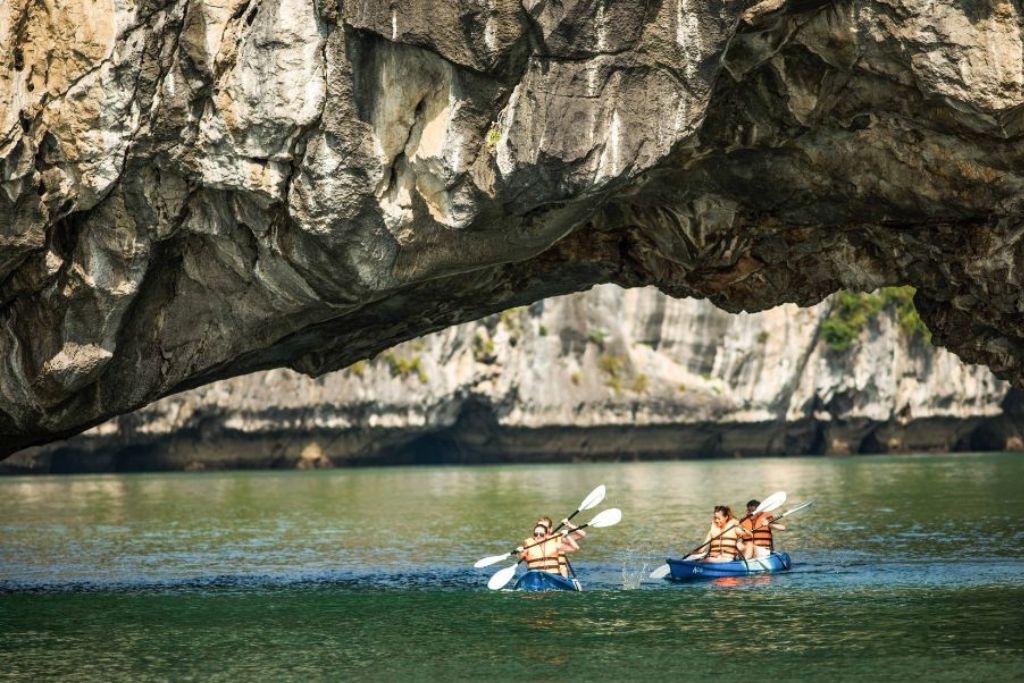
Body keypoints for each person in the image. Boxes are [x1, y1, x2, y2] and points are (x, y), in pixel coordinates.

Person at [517, 516, 586, 578]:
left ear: (550, 529)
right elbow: (524, 559)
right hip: (537, 574)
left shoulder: (558, 538)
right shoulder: (531, 542)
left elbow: (581, 535)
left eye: (544, 527)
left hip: (559, 574)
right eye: (540, 526)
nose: (542, 528)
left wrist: (569, 525)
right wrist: (520, 553)